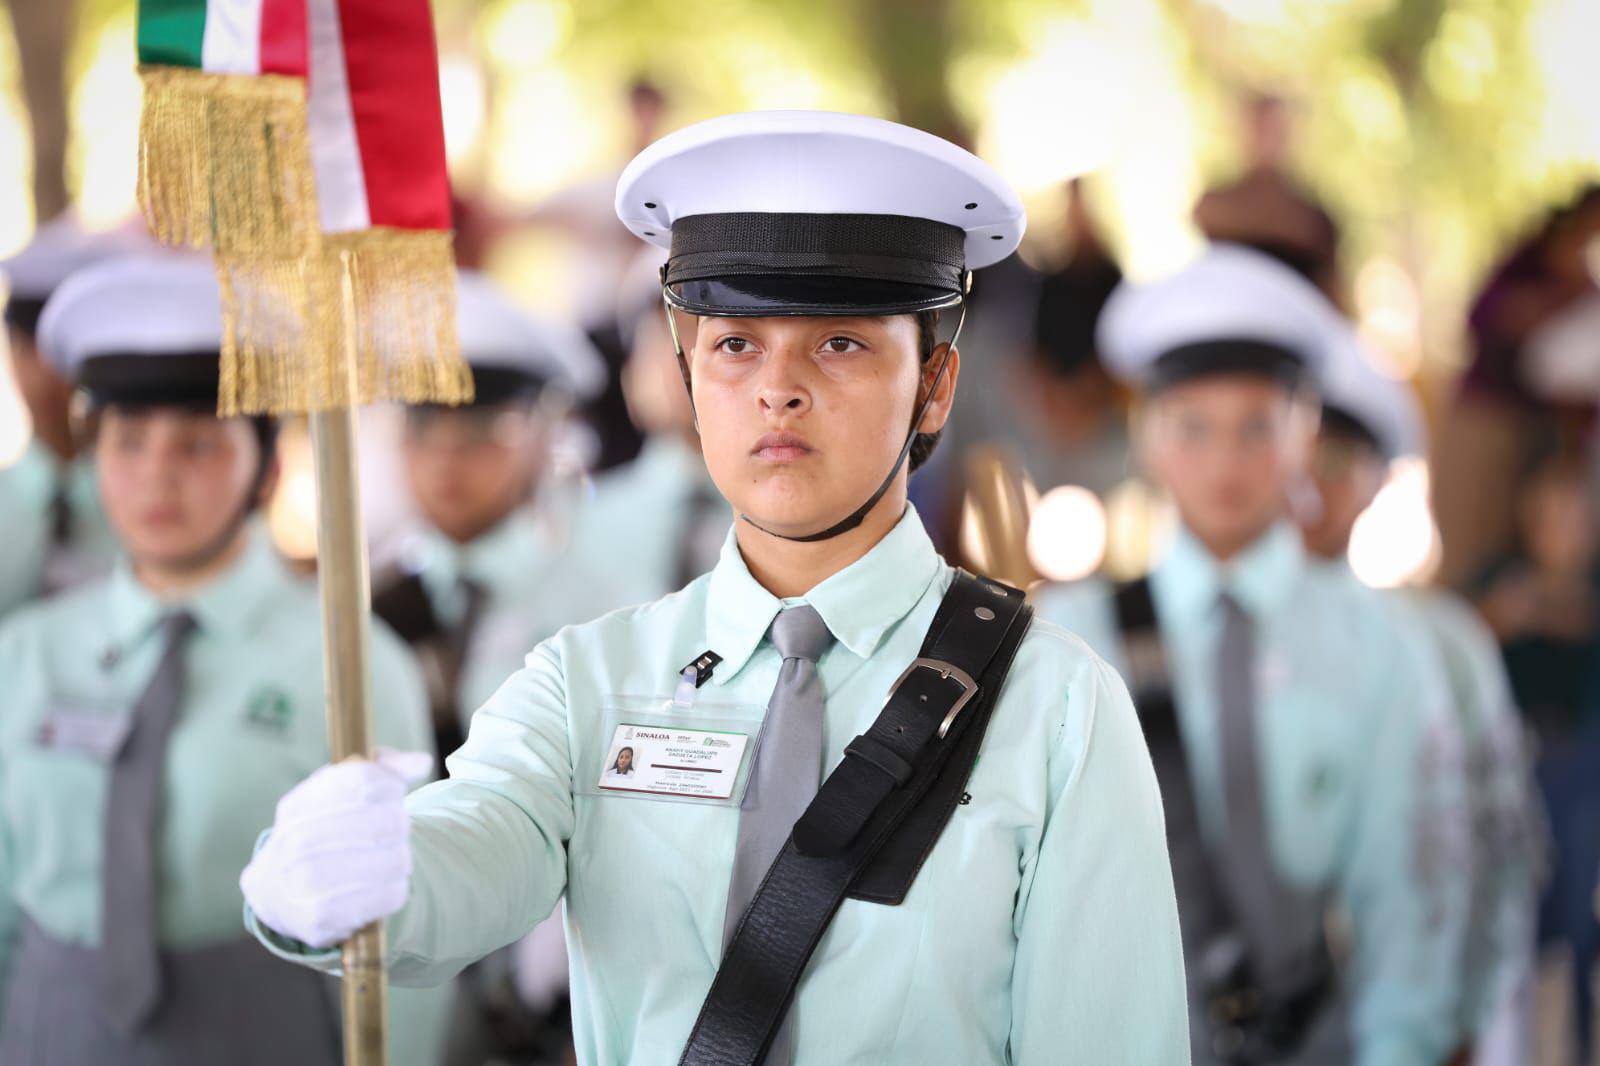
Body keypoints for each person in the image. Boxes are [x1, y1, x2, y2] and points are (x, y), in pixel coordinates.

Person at [238, 110, 1189, 1065]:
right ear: (687, 376)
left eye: (841, 343)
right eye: (736, 344)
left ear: (934, 385)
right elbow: (481, 841)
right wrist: (370, 874)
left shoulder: (1056, 707)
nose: (779, 388)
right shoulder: (587, 681)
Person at [0, 254, 443, 1066]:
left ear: (266, 470)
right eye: (128, 441)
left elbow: (405, 920)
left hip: (261, 1026)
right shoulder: (26, 653)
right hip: (45, 1026)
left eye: (199, 444)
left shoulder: (349, 662)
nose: (157, 474)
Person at [1035, 244, 1470, 1066]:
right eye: (1192, 427)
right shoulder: (1070, 636)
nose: (1225, 462)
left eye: (1258, 427)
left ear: (1307, 433)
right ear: (1148, 437)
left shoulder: (1381, 648)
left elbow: (1409, 900)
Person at [1295, 318, 1540, 1065]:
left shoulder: (1444, 643)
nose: (1310, 487)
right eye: (1295, 455)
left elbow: (1502, 847)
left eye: (1338, 461)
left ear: (1379, 483)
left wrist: (1468, 1020)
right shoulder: (1204, 636)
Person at [375, 270, 615, 763]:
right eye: (423, 425)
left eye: (482, 428)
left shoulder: (598, 606)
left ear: (543, 437)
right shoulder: (372, 597)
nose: (447, 457)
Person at [0, 214, 146, 618]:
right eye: (31, 350)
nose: (51, 375)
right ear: (12, 355)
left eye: (67, 356)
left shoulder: (155, 506)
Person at [571, 250, 730, 607]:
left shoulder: (798, 517)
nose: (687, 357)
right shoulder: (579, 528)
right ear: (630, 372)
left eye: (723, 337)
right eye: (667, 333)